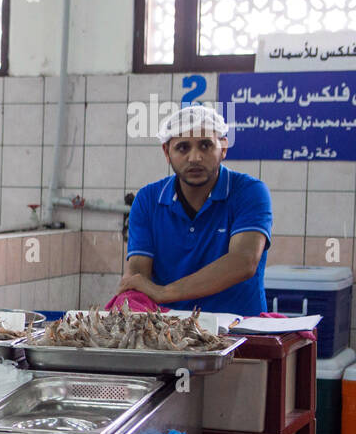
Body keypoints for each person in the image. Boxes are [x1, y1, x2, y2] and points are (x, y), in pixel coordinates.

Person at [115, 105, 272, 316]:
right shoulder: (148, 199)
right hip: (171, 333)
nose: (195, 157)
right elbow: (137, 275)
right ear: (166, 152)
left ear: (223, 148)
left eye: (205, 145)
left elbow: (244, 261)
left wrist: (164, 293)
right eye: (182, 148)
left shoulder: (249, 191)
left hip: (240, 332)